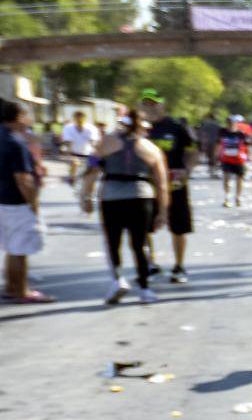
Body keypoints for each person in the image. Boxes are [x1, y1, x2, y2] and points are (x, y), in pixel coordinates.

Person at [80, 108, 169, 304]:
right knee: (140, 244)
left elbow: (91, 170)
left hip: (111, 196)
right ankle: (145, 289)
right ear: (143, 127)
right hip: (141, 196)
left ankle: (118, 279)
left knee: (113, 242)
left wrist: (86, 197)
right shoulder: (151, 149)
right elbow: (162, 184)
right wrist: (162, 211)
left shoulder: (106, 142)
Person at [137, 90, 196, 284]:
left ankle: (179, 266)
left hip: (174, 183)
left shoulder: (177, 127)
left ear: (163, 105)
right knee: (143, 226)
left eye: (154, 103)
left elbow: (193, 152)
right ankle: (150, 264)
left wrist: (187, 170)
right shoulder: (138, 128)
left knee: (178, 227)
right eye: (146, 104)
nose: (150, 108)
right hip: (146, 183)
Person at [1, 98, 53, 303]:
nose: (29, 119)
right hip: (16, 202)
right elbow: (23, 179)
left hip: (3, 200)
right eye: (27, 114)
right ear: (19, 117)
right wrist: (34, 204)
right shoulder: (16, 143)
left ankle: (11, 286)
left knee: (11, 247)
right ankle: (22, 291)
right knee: (19, 249)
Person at [216, 114, 252, 206]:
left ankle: (238, 197)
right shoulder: (222, 132)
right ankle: (227, 198)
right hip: (226, 159)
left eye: (232, 122)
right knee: (226, 178)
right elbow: (218, 144)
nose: (230, 124)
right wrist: (217, 156)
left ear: (236, 123)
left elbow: (247, 146)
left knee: (239, 179)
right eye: (228, 123)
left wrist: (250, 156)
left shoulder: (241, 134)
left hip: (239, 160)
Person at [59, 110, 97, 190]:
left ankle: (91, 192)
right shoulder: (68, 128)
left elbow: (93, 142)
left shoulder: (91, 128)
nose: (79, 119)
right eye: (77, 117)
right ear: (74, 118)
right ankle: (72, 177)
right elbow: (68, 142)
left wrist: (96, 153)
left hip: (89, 153)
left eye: (81, 117)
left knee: (92, 173)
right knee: (75, 162)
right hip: (74, 153)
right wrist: (68, 154)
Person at [196, 113, 221, 178]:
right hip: (215, 143)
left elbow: (200, 133)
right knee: (214, 157)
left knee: (210, 157)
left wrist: (202, 142)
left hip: (207, 143)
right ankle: (213, 171)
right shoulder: (217, 125)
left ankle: (211, 171)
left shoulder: (205, 124)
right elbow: (220, 134)